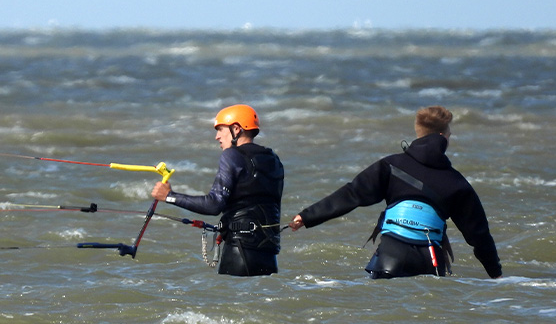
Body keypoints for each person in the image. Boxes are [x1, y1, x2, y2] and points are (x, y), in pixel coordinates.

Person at [289, 106, 502, 279]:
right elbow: (479, 236)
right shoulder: (457, 182)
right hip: (431, 261)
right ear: (443, 137)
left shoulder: (391, 166)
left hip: (390, 257)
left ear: (418, 133)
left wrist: (306, 216)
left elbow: (351, 194)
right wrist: (496, 276)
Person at [152, 104, 284, 276]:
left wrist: (169, 196)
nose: (217, 136)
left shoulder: (232, 155)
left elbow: (214, 205)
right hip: (269, 254)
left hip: (240, 253)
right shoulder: (274, 159)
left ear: (236, 129)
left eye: (221, 130)